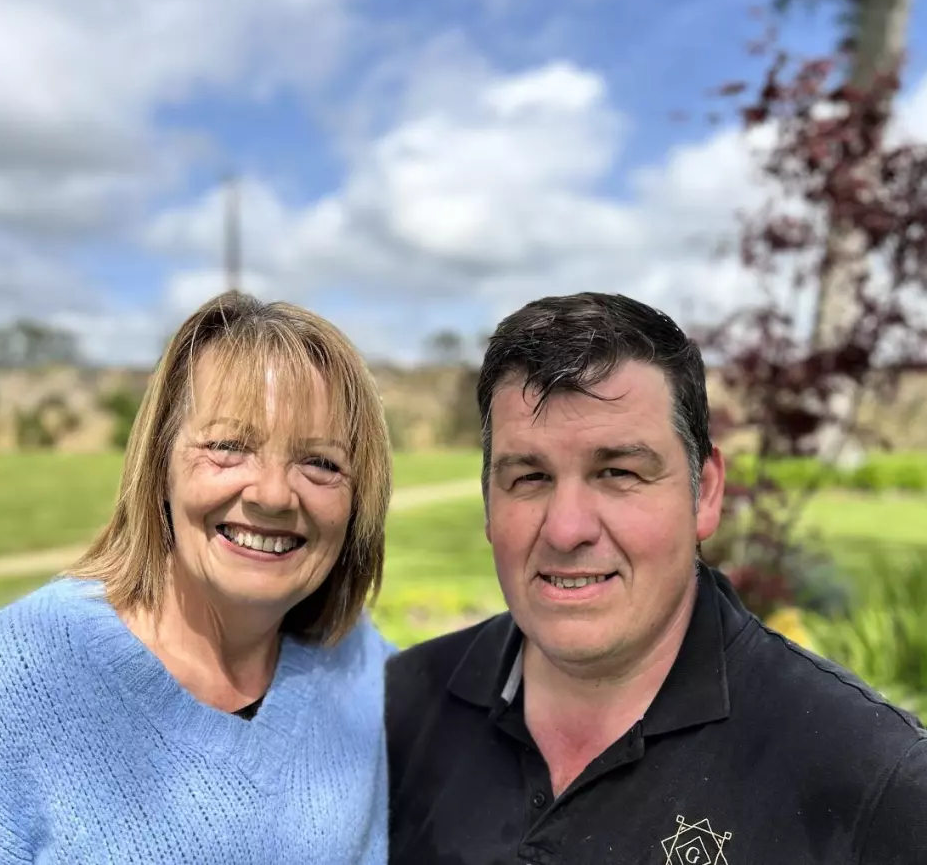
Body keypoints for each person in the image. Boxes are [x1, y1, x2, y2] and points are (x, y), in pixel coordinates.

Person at [386, 291, 927, 864]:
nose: (566, 530)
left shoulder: (871, 782)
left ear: (706, 493)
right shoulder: (395, 708)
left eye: (618, 471)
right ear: (489, 504)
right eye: (530, 477)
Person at [0, 292, 394, 864]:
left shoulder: (360, 665)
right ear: (159, 467)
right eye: (228, 446)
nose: (273, 495)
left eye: (321, 462)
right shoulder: (25, 675)